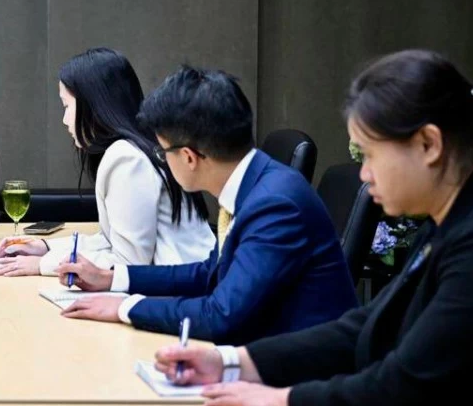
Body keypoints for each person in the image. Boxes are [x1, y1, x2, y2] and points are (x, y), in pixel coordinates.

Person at [155, 50, 473, 406]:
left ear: (429, 145)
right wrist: (235, 364)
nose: (364, 174)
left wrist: (279, 400)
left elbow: (401, 386)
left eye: (370, 154)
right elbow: (367, 325)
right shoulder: (455, 212)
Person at [58, 65, 357, 343]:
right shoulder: (255, 184)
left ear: (188, 157)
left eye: (163, 153)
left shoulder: (275, 204)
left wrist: (126, 308)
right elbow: (209, 273)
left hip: (298, 375)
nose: (163, 161)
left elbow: (221, 315)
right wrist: (112, 279)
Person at [0, 48, 214, 276]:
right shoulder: (140, 145)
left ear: (93, 106)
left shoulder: (126, 158)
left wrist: (43, 265)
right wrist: (47, 247)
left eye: (67, 106)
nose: (64, 120)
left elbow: (128, 263)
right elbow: (112, 241)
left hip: (184, 293)